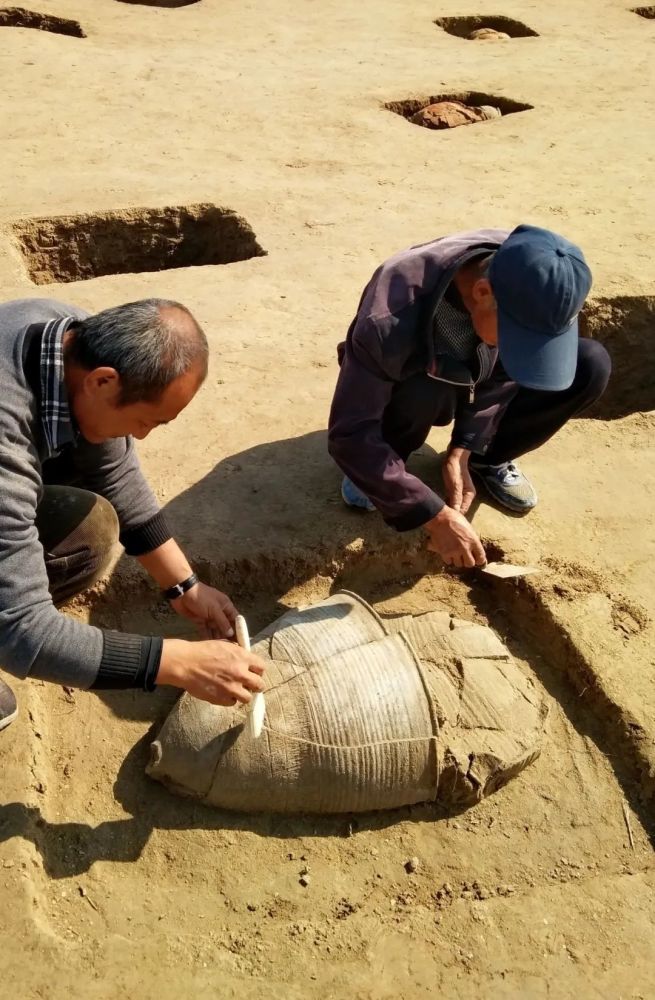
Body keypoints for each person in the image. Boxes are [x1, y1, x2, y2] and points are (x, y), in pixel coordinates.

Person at [0, 297, 265, 733]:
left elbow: (113, 468)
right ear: (104, 382)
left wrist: (185, 586)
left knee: (89, 530)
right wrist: (176, 662)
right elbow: (23, 630)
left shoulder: (71, 339)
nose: (142, 435)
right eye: (148, 421)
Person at [328, 225, 611, 568]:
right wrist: (431, 515)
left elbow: (506, 372)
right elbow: (350, 433)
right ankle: (387, 468)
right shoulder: (390, 317)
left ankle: (486, 458)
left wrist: (466, 446)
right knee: (423, 387)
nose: (519, 349)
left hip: (471, 371)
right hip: (413, 382)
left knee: (590, 365)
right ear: (481, 292)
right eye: (519, 338)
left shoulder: (534, 273)